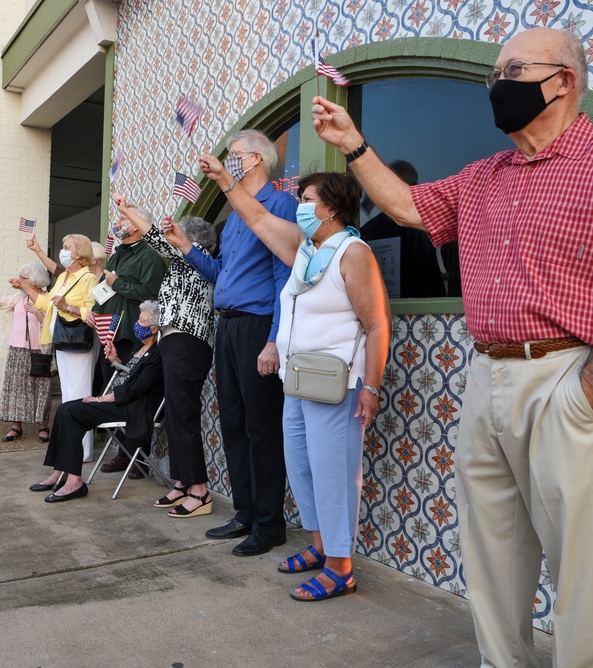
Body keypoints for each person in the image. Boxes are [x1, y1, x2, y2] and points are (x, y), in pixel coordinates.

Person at [311, 27, 593, 667]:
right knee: (491, 556)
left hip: (567, 376)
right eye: (494, 74)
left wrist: (591, 387)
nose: (497, 85)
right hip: (486, 375)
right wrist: (354, 144)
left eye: (513, 70)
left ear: (564, 81)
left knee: (579, 564)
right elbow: (408, 205)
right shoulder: (484, 174)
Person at [199, 161, 390, 601]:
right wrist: (226, 181)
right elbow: (259, 218)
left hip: (336, 384)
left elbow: (378, 324)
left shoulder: (352, 253)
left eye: (306, 201)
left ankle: (340, 567)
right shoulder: (305, 249)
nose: (299, 207)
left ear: (332, 208)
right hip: (298, 380)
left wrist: (372, 387)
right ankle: (320, 548)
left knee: (334, 474)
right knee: (302, 469)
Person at [165, 129, 297, 556]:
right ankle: (244, 513)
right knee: (234, 424)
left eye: (235, 155)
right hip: (228, 327)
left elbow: (283, 280)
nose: (231, 161)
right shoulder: (236, 215)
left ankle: (269, 523)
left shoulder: (280, 205)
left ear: (257, 159)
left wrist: (274, 340)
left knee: (262, 429)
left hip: (258, 328)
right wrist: (186, 247)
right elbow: (222, 273)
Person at [113, 192, 217, 517]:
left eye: (180, 235)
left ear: (193, 240)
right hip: (172, 341)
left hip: (188, 342)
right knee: (173, 415)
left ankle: (199, 491)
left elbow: (155, 237)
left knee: (183, 414)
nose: (173, 239)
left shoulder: (195, 257)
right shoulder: (179, 265)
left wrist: (128, 209)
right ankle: (182, 483)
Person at [32, 301, 164, 502]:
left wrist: (101, 398)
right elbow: (129, 375)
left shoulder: (157, 353)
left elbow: (137, 388)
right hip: (119, 403)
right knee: (64, 409)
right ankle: (60, 472)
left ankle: (74, 482)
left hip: (133, 408)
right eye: (138, 318)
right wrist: (115, 361)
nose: (137, 323)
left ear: (154, 328)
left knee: (72, 412)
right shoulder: (139, 347)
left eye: (142, 320)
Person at [86, 209, 166, 477]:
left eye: (124, 220)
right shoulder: (119, 253)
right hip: (111, 334)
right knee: (113, 394)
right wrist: (95, 309)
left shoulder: (151, 255)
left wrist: (118, 282)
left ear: (137, 225)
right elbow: (104, 285)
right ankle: (121, 450)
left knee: (134, 396)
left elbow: (149, 293)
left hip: (136, 336)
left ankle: (134, 458)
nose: (118, 224)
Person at [13, 234, 101, 464]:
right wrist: (25, 286)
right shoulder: (63, 276)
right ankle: (70, 446)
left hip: (79, 342)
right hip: (62, 341)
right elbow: (46, 304)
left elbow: (93, 313)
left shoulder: (88, 278)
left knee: (80, 395)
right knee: (68, 394)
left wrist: (68, 306)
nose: (62, 250)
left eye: (66, 247)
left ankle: (83, 451)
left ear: (78, 253)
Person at [359, 160, 460, 298]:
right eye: (416, 184)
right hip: (425, 310)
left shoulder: (367, 230)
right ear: (409, 187)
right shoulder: (421, 226)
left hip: (383, 304)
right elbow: (426, 273)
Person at [0, 262, 53, 442]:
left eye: (23, 278)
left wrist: (37, 312)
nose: (19, 281)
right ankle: (16, 427)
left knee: (40, 388)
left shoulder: (47, 298)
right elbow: (1, 302)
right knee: (16, 389)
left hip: (39, 350)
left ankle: (42, 426)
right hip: (17, 349)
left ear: (34, 280)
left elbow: (51, 324)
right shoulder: (19, 297)